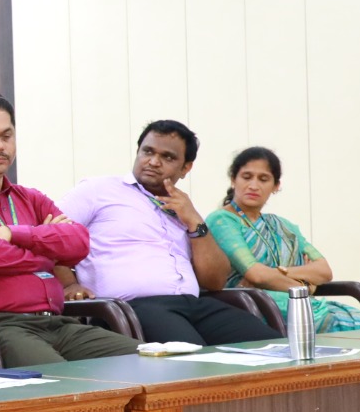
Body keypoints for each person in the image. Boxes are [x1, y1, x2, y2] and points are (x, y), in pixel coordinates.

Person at [0, 92, 142, 367]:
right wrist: (48, 255)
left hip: (56, 324)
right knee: (64, 381)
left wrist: (16, 234)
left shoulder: (30, 198)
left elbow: (79, 243)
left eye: (6, 136)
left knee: (154, 362)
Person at [56, 120, 281, 346]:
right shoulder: (98, 190)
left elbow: (215, 281)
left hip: (195, 304)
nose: (154, 162)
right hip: (133, 307)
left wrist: (194, 220)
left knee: (274, 347)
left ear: (186, 168)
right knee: (192, 355)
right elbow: (48, 237)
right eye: (148, 151)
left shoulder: (183, 207)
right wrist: (68, 285)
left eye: (168, 157)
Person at [207, 146, 360, 332]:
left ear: (276, 186)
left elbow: (324, 270)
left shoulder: (283, 227)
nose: (253, 185)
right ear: (233, 180)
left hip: (300, 304)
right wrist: (306, 286)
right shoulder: (222, 220)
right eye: (246, 177)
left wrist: (280, 273)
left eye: (263, 179)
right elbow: (256, 274)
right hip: (256, 308)